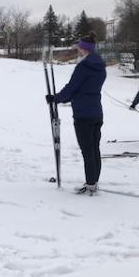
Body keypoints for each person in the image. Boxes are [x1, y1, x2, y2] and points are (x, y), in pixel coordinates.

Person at [46, 33, 107, 195]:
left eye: (79, 46)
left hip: (83, 114)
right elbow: (82, 88)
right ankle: (93, 181)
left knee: (87, 150)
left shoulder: (83, 67)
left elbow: (73, 87)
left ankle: (91, 184)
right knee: (94, 148)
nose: (78, 49)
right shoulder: (100, 66)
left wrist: (55, 99)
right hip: (96, 112)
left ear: (84, 49)